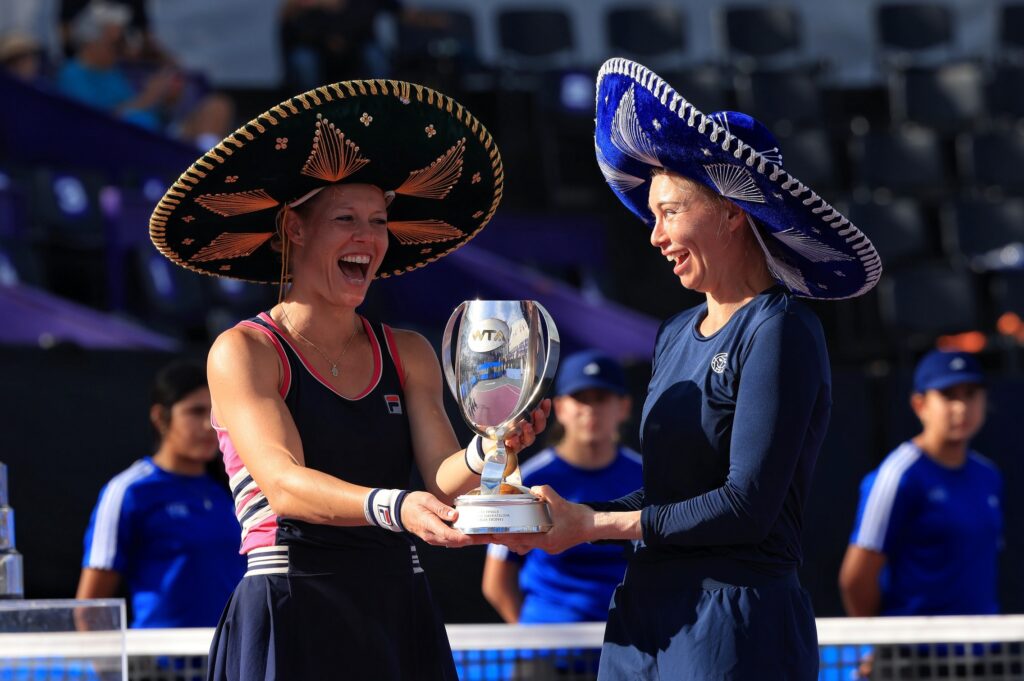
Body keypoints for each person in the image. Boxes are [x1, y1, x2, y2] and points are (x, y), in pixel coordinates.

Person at [491, 57, 882, 681]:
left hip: (735, 627)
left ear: (732, 211)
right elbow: (670, 496)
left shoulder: (781, 328)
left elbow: (745, 507)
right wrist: (562, 517)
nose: (654, 235)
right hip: (646, 616)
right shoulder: (674, 332)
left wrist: (592, 524)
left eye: (671, 212)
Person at [148, 77, 546, 680]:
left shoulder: (408, 351)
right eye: (345, 218)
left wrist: (491, 447)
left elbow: (443, 482)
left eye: (379, 221)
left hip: (397, 603)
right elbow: (283, 486)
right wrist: (396, 506)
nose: (368, 237)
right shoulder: (243, 350)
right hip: (291, 600)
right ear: (294, 227)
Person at [76, 359, 245, 628]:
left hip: (231, 651)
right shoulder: (128, 491)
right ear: (160, 418)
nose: (208, 425)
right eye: (195, 411)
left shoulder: (232, 489)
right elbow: (89, 610)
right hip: (158, 655)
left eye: (215, 414)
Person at [482, 350, 641, 625]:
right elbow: (496, 582)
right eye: (580, 398)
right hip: (548, 642)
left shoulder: (647, 475)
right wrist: (535, 637)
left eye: (601, 398)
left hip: (632, 641)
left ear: (624, 407)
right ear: (560, 408)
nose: (590, 409)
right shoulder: (527, 479)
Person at [839, 349, 1002, 617]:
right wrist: (883, 639)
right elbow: (856, 579)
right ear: (920, 405)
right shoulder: (898, 476)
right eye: (948, 395)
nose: (961, 407)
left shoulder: (989, 475)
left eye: (971, 394)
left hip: (985, 640)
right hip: (917, 642)